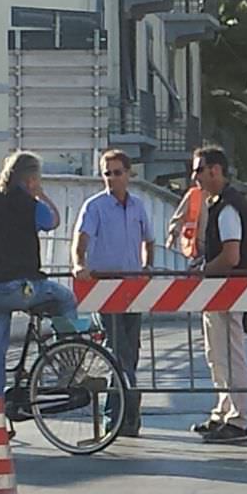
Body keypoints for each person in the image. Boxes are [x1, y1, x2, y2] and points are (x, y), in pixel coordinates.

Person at [0, 150, 81, 446]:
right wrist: (40, 194)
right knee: (65, 298)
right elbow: (52, 221)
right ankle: (70, 363)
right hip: (19, 288)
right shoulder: (28, 202)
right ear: (29, 179)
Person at [72, 148, 152, 436]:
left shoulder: (139, 206)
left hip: (133, 286)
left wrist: (147, 266)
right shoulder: (94, 207)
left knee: (131, 350)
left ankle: (127, 413)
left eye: (117, 173)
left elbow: (149, 240)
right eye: (107, 173)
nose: (111, 178)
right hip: (106, 286)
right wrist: (79, 265)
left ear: (129, 174)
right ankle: (119, 414)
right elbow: (80, 243)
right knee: (117, 350)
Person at [191, 145, 247, 445]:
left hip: (231, 291)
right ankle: (223, 412)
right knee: (216, 355)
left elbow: (232, 255)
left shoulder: (228, 207)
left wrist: (204, 270)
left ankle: (238, 420)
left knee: (230, 356)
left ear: (215, 170)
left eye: (198, 169)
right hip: (221, 293)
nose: (194, 176)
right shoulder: (218, 203)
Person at [166, 161, 206, 267]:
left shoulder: (221, 197)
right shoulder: (193, 195)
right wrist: (173, 233)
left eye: (199, 171)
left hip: (216, 252)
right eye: (194, 172)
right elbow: (179, 216)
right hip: (197, 251)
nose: (195, 176)